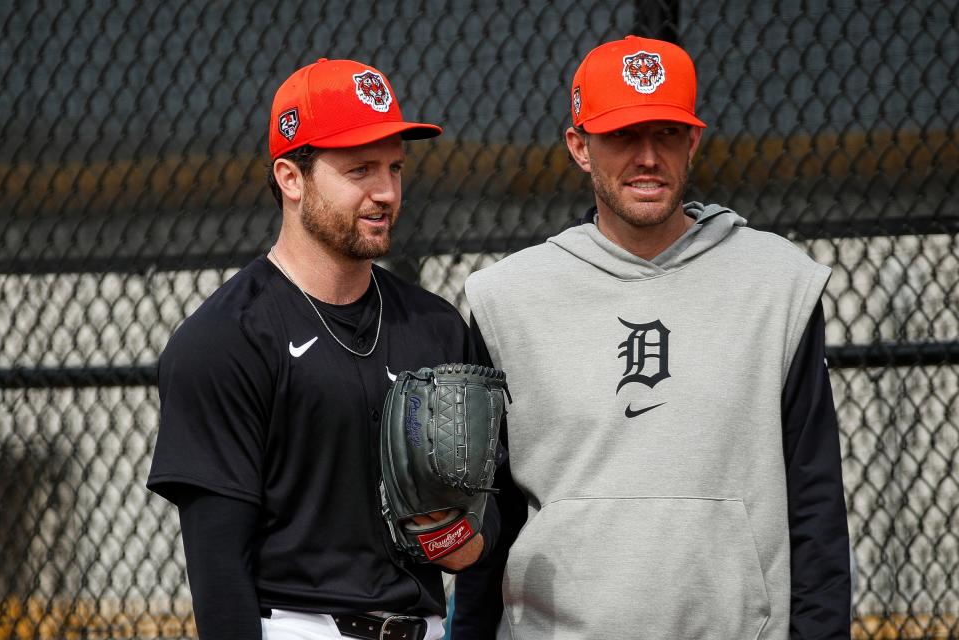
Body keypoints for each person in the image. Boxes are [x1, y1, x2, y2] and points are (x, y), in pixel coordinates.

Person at [452, 36, 851, 639]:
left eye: (666, 133)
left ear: (693, 140)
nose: (647, 157)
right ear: (580, 147)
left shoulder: (777, 284)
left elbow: (815, 504)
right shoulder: (510, 298)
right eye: (622, 136)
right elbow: (494, 516)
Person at [146, 58, 499, 640]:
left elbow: (493, 521)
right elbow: (219, 573)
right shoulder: (225, 338)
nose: (385, 191)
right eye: (359, 168)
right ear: (290, 177)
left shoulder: (435, 327)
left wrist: (460, 539)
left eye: (395, 167)